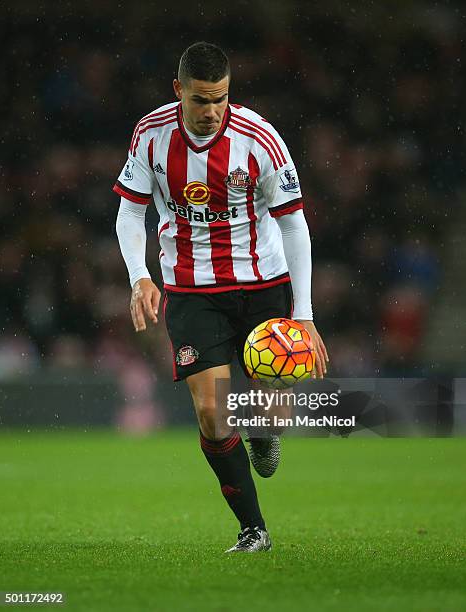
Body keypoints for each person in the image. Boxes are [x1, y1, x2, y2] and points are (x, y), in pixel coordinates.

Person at [115, 42, 328, 553]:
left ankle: (263, 430)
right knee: (213, 415)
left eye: (221, 99)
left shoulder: (260, 139)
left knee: (270, 415)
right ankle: (254, 529)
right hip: (192, 290)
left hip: (263, 286)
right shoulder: (150, 136)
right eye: (201, 100)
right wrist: (139, 276)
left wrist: (305, 315)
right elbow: (129, 212)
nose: (212, 112)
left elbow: (295, 225)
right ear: (179, 92)